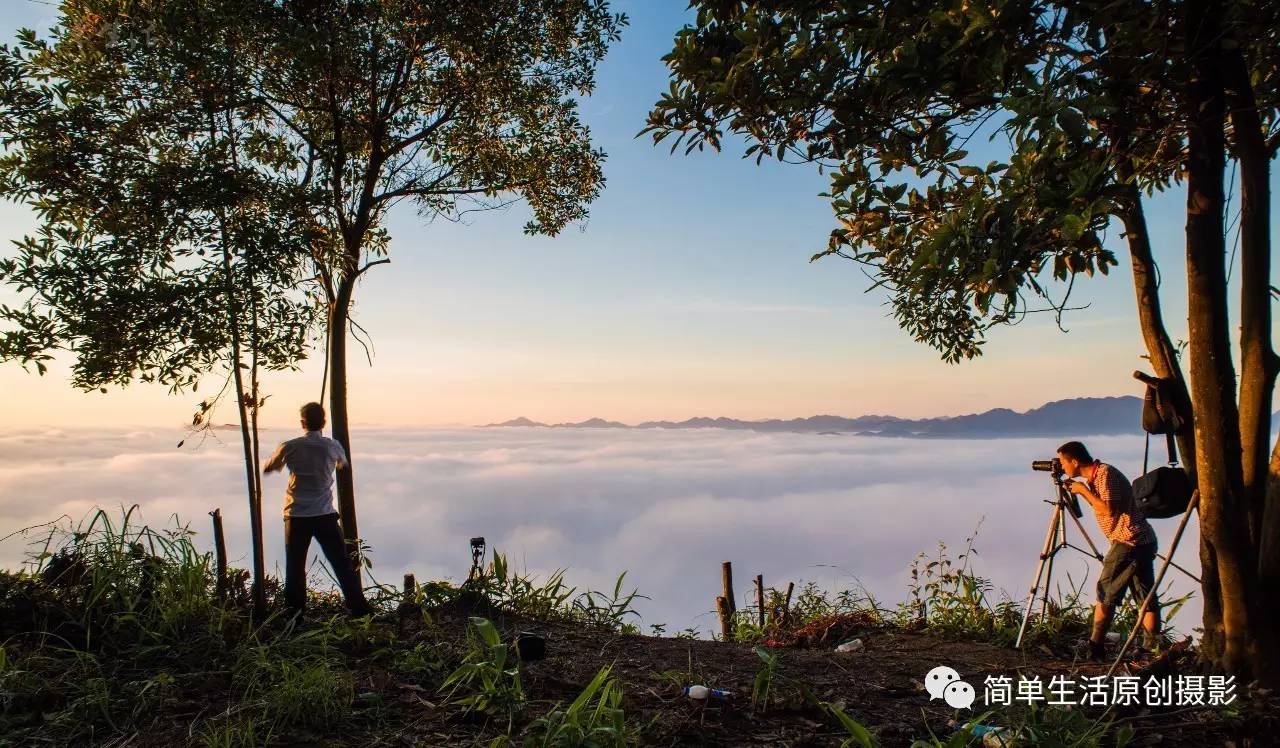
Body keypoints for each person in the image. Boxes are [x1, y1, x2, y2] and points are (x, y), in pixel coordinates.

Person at [263, 402, 372, 619]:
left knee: (295, 567)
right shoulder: (332, 446)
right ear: (324, 422)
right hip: (324, 515)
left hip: (296, 516)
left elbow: (270, 468)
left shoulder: (289, 446)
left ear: (302, 423)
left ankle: (294, 615)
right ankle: (360, 610)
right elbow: (342, 465)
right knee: (341, 563)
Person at [1056, 440, 1160, 660]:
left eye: (1063, 463)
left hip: (1129, 541)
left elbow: (1108, 510)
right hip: (1140, 540)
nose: (1062, 467)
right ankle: (1149, 649)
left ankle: (1095, 647)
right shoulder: (1097, 477)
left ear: (1075, 461)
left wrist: (1083, 491)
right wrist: (1081, 490)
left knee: (1106, 594)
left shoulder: (1105, 475)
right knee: (1145, 596)